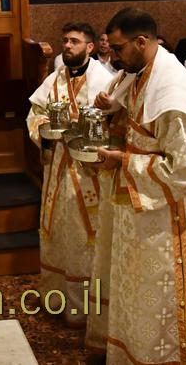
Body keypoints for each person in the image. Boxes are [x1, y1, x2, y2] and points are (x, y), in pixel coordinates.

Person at [86, 8, 186, 364]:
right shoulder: (141, 73)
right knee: (135, 286)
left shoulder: (172, 92)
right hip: (140, 205)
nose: (114, 56)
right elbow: (136, 125)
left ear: (142, 42)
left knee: (160, 294)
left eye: (118, 48)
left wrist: (123, 161)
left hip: (168, 216)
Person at [26, 23, 113, 327]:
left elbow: (115, 121)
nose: (67, 46)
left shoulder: (105, 81)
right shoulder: (54, 79)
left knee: (85, 237)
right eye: (65, 40)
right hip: (58, 168)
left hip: (89, 173)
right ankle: (56, 299)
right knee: (58, 230)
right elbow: (35, 113)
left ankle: (86, 310)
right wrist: (44, 130)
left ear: (90, 47)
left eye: (74, 41)